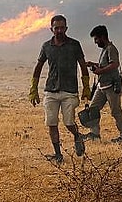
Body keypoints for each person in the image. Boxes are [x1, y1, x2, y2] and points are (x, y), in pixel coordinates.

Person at [29, 14, 90, 164]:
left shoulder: (74, 45)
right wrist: (33, 88)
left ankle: (77, 136)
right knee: (52, 123)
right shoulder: (46, 46)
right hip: (51, 90)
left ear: (66, 28)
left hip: (69, 91)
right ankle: (58, 154)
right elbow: (38, 66)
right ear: (51, 29)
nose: (59, 31)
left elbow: (83, 65)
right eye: (56, 28)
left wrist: (86, 87)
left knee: (69, 122)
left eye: (62, 28)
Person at [82, 25, 122, 143]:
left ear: (102, 37)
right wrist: (93, 64)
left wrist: (100, 71)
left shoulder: (111, 49)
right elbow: (106, 65)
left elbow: (114, 64)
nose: (95, 42)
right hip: (102, 86)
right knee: (93, 109)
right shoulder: (105, 50)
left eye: (96, 39)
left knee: (116, 111)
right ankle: (94, 134)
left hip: (111, 86)